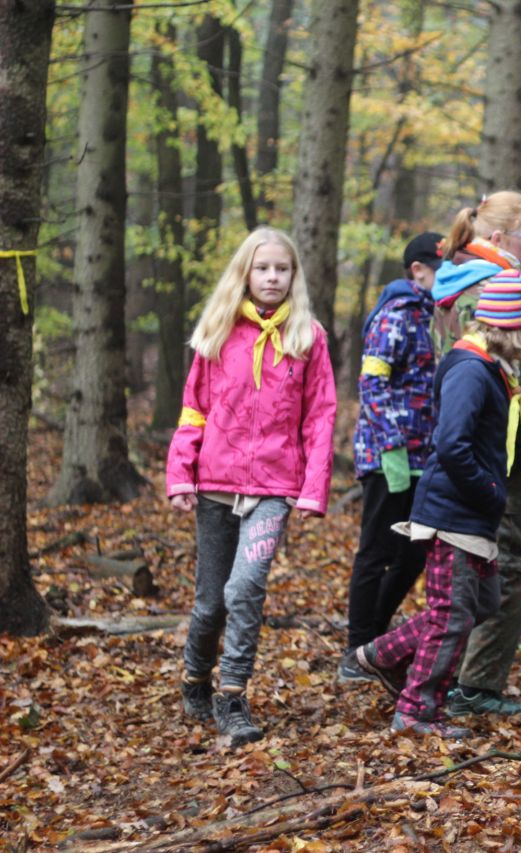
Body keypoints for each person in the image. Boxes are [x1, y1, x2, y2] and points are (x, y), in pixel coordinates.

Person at [349, 273, 521, 738]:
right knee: (453, 613)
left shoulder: (493, 368)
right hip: (454, 512)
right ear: (510, 326)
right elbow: (452, 444)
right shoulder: (470, 369)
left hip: (473, 515)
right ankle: (417, 709)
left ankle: (382, 654)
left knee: (482, 602)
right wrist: (490, 492)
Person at [167, 228, 337, 747]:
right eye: (262, 268)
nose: (272, 277)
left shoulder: (308, 336)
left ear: (294, 276)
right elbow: (194, 408)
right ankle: (195, 676)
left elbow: (321, 416)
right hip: (215, 483)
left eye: (282, 269)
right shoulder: (219, 329)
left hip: (274, 487)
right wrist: (180, 472)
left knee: (244, 589)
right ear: (245, 273)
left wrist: (312, 489)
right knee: (210, 603)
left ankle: (233, 696)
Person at [430, 193, 521, 718]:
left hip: (482, 445)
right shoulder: (496, 289)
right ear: (498, 239)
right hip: (503, 452)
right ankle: (474, 684)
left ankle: (445, 675)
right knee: (512, 566)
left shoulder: (457, 281)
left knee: (478, 571)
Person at [339, 232, 445, 684]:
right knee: (377, 550)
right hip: (389, 455)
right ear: (418, 271)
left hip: (426, 455)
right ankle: (355, 648)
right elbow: (372, 383)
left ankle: (376, 644)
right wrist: (391, 443)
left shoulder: (439, 316)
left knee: (414, 553)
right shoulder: (396, 316)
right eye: (442, 269)